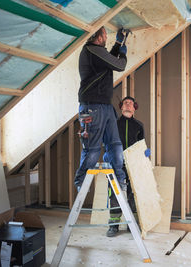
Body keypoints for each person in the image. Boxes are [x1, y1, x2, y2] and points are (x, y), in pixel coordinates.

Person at [74, 27, 128, 193]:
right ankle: (81, 182)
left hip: (104, 106)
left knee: (115, 146)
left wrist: (118, 43)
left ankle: (120, 181)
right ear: (97, 37)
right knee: (93, 150)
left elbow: (108, 60)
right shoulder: (91, 50)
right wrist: (123, 53)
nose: (106, 36)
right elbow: (119, 65)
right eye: (104, 34)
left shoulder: (96, 52)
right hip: (92, 107)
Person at [104, 96, 150, 237]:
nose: (128, 105)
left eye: (130, 103)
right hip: (115, 165)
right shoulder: (113, 124)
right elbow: (106, 142)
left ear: (134, 107)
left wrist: (146, 154)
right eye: (125, 103)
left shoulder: (139, 126)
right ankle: (114, 226)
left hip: (133, 166)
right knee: (114, 195)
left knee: (132, 194)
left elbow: (141, 146)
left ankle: (132, 224)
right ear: (121, 107)